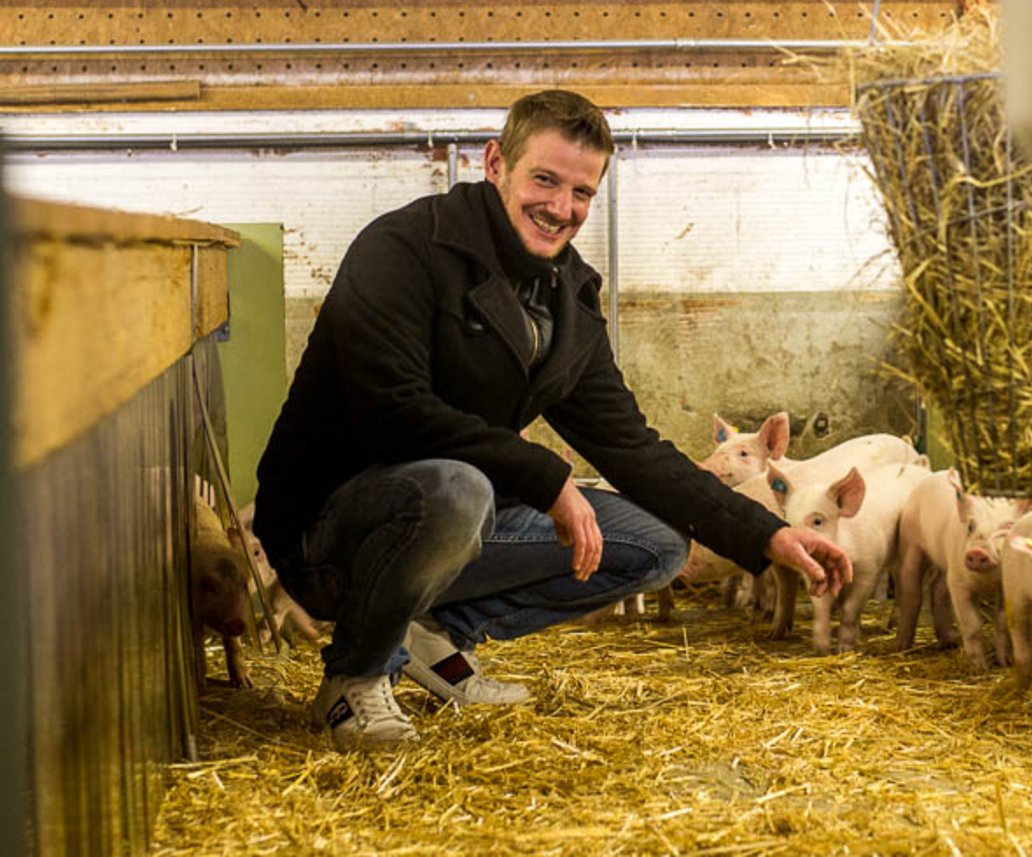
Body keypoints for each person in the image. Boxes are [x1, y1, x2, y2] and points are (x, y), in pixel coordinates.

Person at [254, 89, 853, 749]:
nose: (561, 208)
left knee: (658, 545)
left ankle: (432, 633)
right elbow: (390, 409)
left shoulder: (567, 300)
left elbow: (632, 447)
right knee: (457, 487)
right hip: (331, 531)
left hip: (453, 524)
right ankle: (355, 676)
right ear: (495, 163)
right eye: (544, 179)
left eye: (582, 192)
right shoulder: (402, 248)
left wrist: (768, 535)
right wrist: (548, 478)